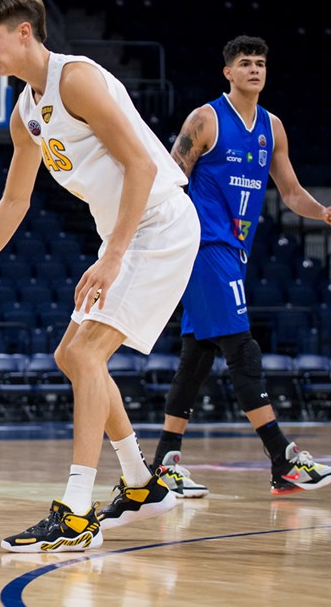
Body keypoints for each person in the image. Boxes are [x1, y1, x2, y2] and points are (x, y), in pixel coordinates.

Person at [0, 0, 201, 553]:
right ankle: (141, 483)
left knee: (83, 354)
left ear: (24, 31)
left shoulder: (75, 78)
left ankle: (77, 512)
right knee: (70, 357)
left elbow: (141, 167)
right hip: (128, 232)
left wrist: (114, 254)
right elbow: (14, 202)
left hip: (159, 224)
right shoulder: (26, 110)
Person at [141, 35, 331, 504]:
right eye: (245, 63)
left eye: (260, 63)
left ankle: (164, 463)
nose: (254, 70)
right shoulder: (205, 119)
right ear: (227, 71)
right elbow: (168, 180)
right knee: (241, 350)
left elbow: (289, 192)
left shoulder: (273, 127)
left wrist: (324, 212)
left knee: (198, 353)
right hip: (205, 246)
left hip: (234, 252)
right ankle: (282, 458)